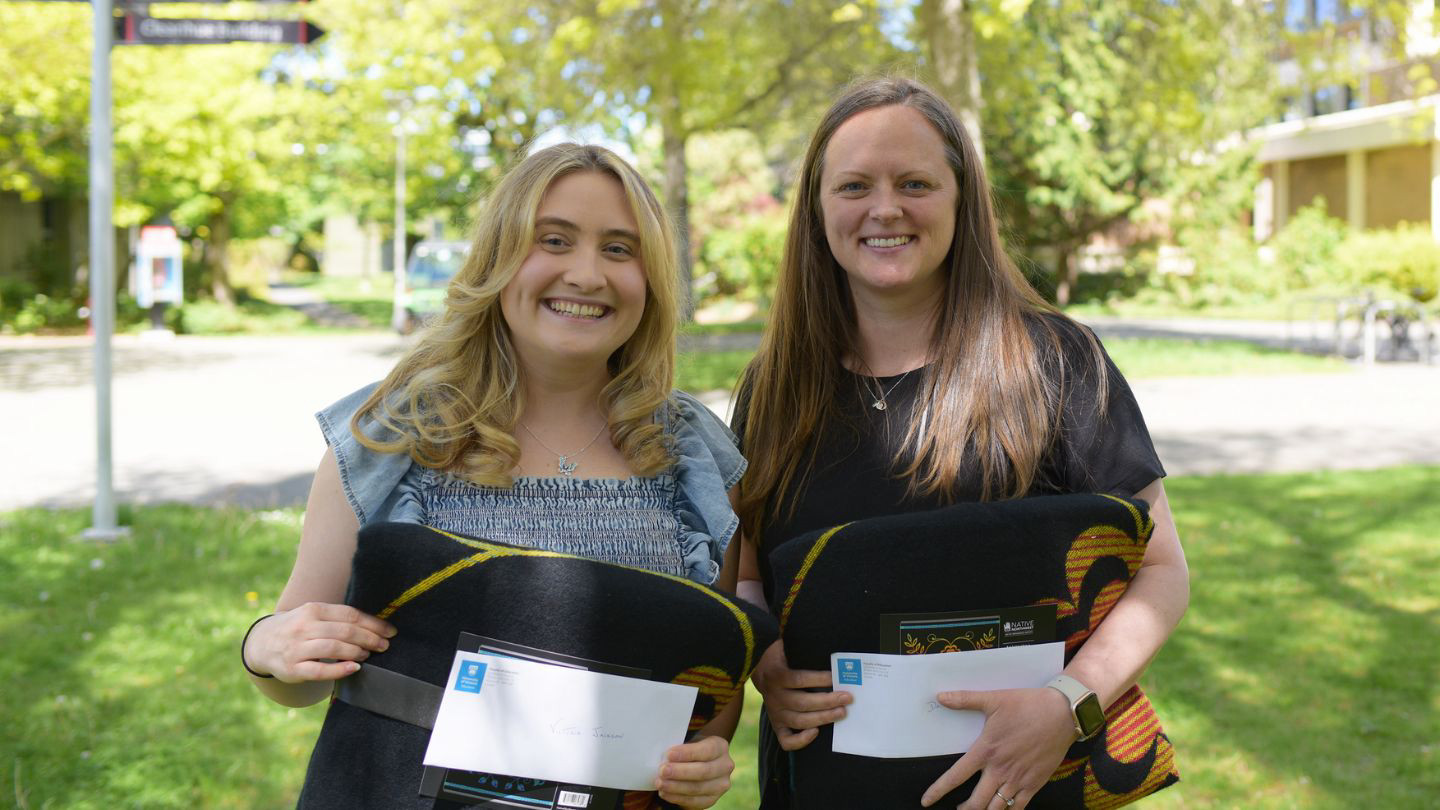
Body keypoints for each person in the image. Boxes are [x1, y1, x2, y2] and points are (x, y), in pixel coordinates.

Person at [732, 77, 1190, 810]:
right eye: (854, 186)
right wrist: (768, 662)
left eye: (915, 182)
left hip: (1022, 787)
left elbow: (1162, 570)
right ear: (818, 211)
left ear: (960, 199)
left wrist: (1070, 702)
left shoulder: (1056, 361)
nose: (885, 209)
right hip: (825, 785)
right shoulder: (775, 387)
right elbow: (747, 576)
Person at [241, 143, 744, 809]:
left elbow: (714, 686)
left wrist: (705, 759)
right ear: (499, 257)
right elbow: (298, 674)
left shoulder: (696, 456)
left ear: (651, 279)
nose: (587, 274)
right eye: (554, 240)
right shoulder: (391, 436)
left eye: (619, 249)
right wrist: (267, 646)